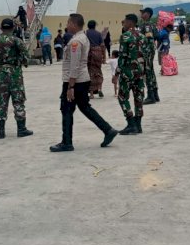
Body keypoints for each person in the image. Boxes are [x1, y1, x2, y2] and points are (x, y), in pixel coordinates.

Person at [50, 13, 118, 152]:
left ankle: (67, 142)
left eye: (68, 22)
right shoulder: (82, 38)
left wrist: (71, 86)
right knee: (84, 107)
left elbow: (74, 65)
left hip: (75, 81)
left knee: (67, 109)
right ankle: (107, 129)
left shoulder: (76, 41)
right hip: (82, 79)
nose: (67, 25)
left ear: (74, 24)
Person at [0, 18, 33, 139]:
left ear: (1, 28)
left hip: (1, 74)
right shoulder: (17, 41)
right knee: (18, 100)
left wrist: (0, 65)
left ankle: (1, 131)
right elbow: (26, 58)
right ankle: (21, 129)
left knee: (2, 101)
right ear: (13, 28)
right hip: (15, 74)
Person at [116, 14, 146, 135]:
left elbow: (122, 56)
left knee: (122, 97)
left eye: (125, 21)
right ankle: (138, 125)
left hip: (128, 72)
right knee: (139, 98)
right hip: (140, 72)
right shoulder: (142, 36)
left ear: (130, 22)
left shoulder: (125, 36)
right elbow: (145, 55)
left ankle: (131, 123)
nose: (123, 23)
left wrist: (116, 73)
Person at [138, 7, 160, 104]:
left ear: (147, 14)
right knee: (151, 72)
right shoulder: (152, 24)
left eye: (142, 13)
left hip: (147, 51)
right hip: (150, 51)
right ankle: (155, 95)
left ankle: (151, 96)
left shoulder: (147, 25)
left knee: (147, 72)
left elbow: (149, 39)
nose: (141, 15)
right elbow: (156, 36)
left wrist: (145, 51)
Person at [86, 20, 106, 98]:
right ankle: (99, 89)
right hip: (98, 53)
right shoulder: (98, 34)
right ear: (95, 26)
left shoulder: (85, 33)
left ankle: (91, 93)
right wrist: (104, 57)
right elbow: (103, 46)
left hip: (89, 54)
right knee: (98, 72)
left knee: (90, 72)